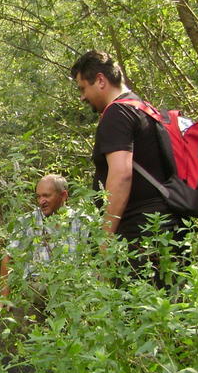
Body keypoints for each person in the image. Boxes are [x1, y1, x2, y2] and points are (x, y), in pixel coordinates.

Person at [71, 49, 185, 278]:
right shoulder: (142, 109)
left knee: (139, 309)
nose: (82, 97)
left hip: (141, 233)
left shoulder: (117, 114)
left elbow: (121, 174)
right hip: (167, 225)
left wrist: (104, 240)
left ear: (100, 80)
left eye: (83, 88)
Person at [0, 174, 90, 309]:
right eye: (38, 196)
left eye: (46, 196)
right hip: (37, 289)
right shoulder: (27, 222)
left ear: (64, 195)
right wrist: (4, 298)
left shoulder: (82, 221)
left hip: (73, 288)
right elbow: (9, 258)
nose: (41, 201)